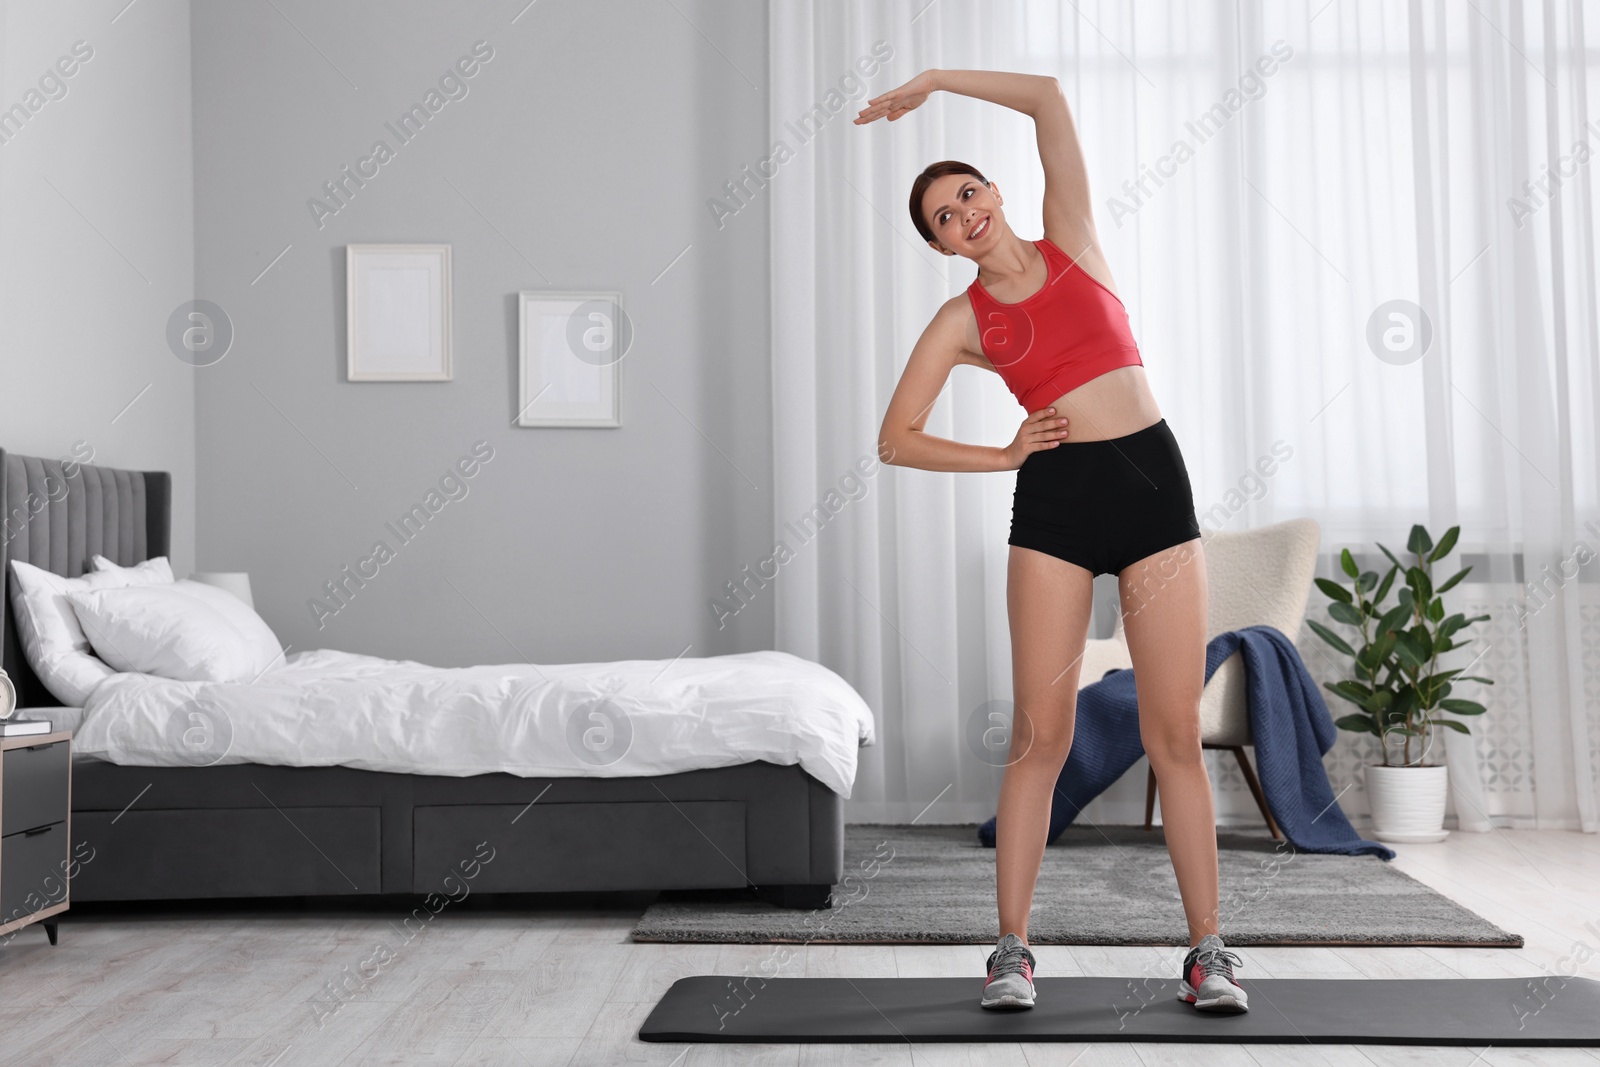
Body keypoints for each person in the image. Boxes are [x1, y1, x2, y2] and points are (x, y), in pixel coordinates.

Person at [856, 68, 1248, 1014]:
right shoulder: (963, 320)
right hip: (1057, 507)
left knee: (1173, 735)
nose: (963, 215)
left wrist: (937, 81)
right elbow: (894, 438)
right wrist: (1001, 456)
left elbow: (1048, 100)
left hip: (1154, 485)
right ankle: (1012, 952)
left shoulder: (1073, 238)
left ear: (993, 192)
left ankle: (1208, 955)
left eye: (966, 194)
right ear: (942, 246)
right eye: (943, 218)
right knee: (1041, 735)